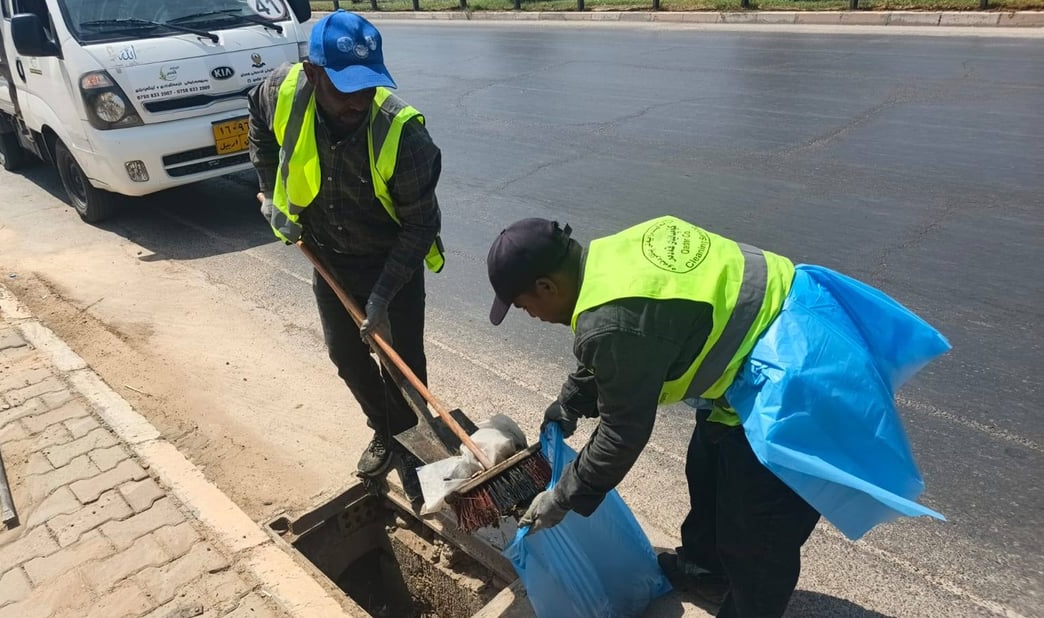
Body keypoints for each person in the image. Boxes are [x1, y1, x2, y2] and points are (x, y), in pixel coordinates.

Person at [486, 216, 948, 617]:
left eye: (526, 307)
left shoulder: (607, 324)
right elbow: (633, 342)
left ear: (547, 287)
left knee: (757, 535)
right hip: (785, 326)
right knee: (706, 467)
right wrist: (569, 403)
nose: (532, 317)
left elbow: (622, 432)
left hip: (795, 376)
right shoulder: (611, 256)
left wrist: (565, 497)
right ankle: (705, 568)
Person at [248, 10, 445, 496]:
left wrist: (380, 298)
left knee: (402, 368)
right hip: (328, 255)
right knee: (346, 356)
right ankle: (384, 430)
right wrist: (269, 190)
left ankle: (415, 456)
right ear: (314, 73)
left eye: (368, 87)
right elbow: (255, 121)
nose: (359, 101)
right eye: (345, 88)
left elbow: (421, 226)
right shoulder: (282, 91)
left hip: (390, 264)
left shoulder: (406, 136)